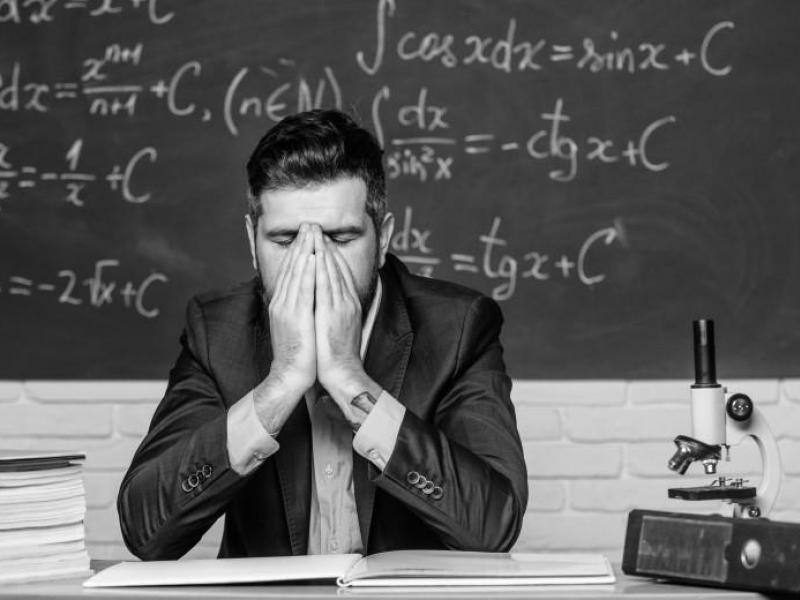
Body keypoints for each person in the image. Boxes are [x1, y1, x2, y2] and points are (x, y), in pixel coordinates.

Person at [117, 109, 528, 560]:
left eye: (341, 238)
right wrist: (281, 384)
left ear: (383, 239)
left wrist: (351, 379)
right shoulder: (217, 331)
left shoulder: (459, 327)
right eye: (284, 240)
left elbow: (493, 527)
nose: (313, 261)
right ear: (252, 242)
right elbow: (146, 531)